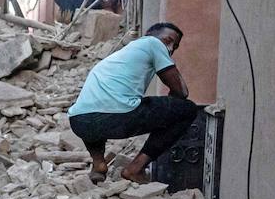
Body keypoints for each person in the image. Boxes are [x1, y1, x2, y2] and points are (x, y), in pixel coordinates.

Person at [68, 22, 199, 184]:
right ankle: (135, 168)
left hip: (78, 121)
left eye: (175, 46)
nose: (171, 49)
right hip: (116, 117)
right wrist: (173, 104)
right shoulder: (152, 43)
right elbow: (182, 92)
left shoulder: (120, 55)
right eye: (168, 41)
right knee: (187, 110)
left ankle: (99, 164)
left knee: (99, 110)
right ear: (150, 35)